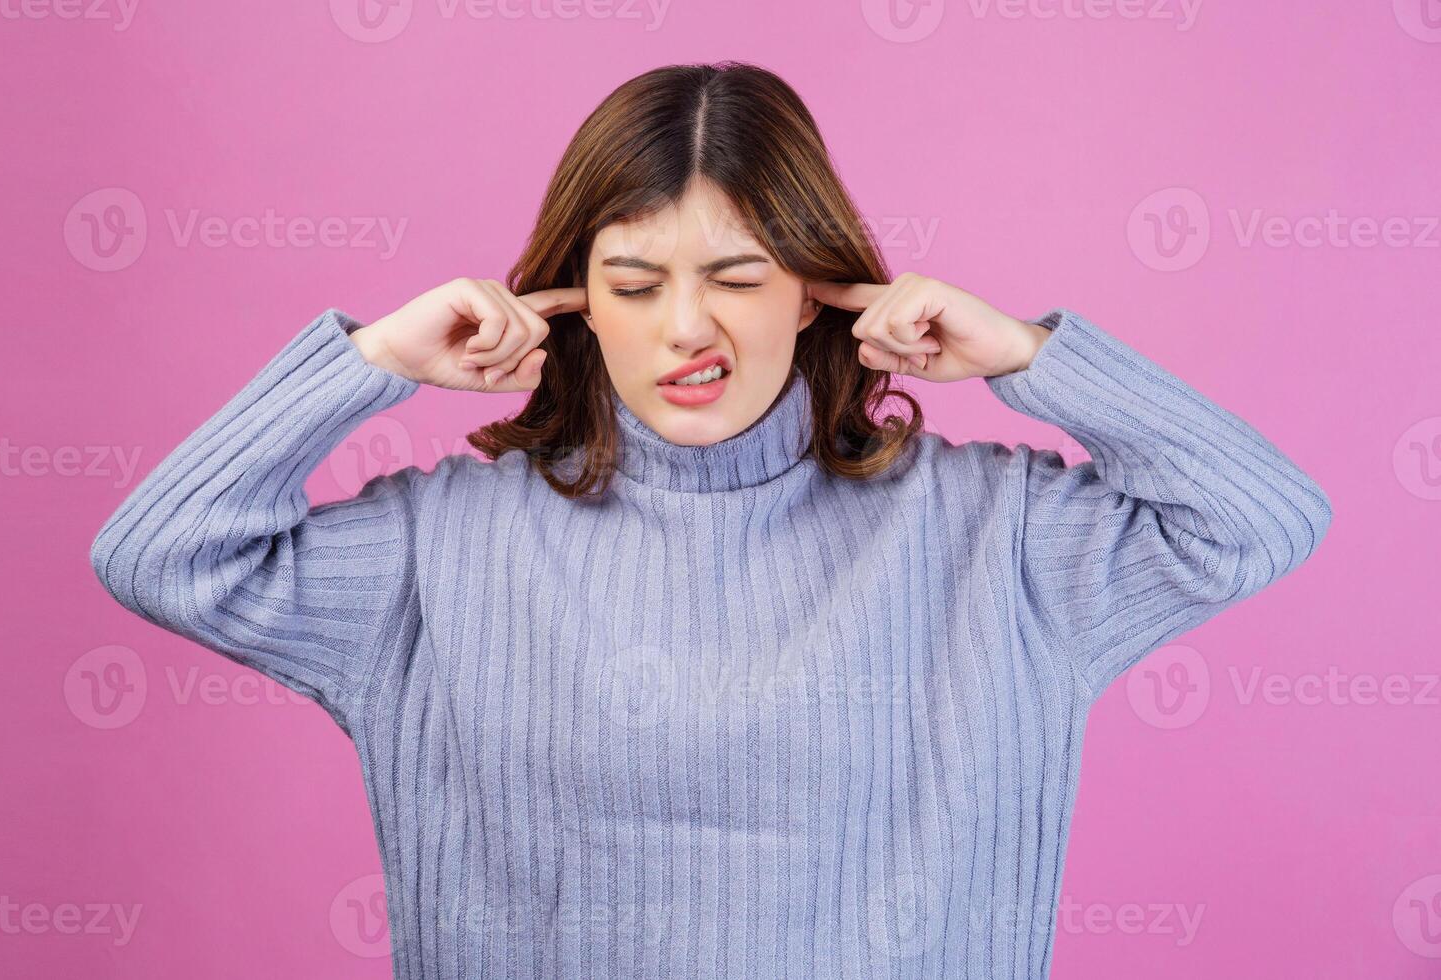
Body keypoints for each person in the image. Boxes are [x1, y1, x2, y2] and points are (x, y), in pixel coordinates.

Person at [89, 62, 1331, 980]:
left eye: (738, 278)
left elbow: (1258, 517)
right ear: (577, 301)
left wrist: (1029, 357)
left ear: (813, 292)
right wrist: (366, 360)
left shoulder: (989, 532)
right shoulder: (438, 549)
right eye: (635, 284)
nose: (689, 328)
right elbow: (162, 553)